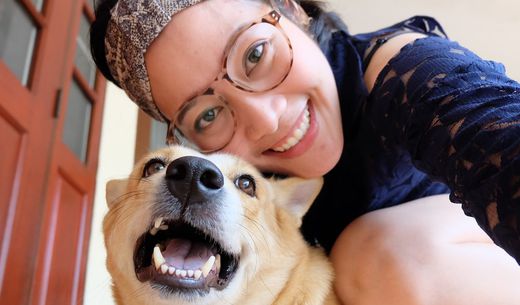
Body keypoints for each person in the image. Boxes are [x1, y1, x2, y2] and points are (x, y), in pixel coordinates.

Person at [90, 0, 520, 304]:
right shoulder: (235, 187)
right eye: (206, 115)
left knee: (375, 254)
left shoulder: (412, 74)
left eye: (255, 54)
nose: (267, 120)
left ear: (293, 9)